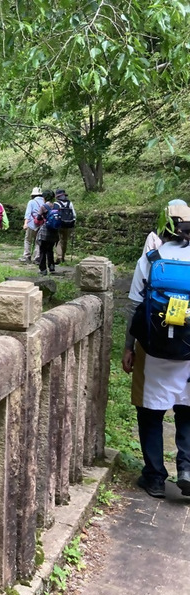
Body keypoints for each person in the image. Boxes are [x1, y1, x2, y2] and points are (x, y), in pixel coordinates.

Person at [122, 201, 190, 499]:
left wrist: (128, 348)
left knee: (149, 411)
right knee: (187, 410)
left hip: (153, 348)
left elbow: (136, 306)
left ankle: (154, 478)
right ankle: (187, 469)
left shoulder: (152, 257)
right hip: (189, 353)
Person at [19, 186, 44, 263]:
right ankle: (37, 257)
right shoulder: (44, 201)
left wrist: (25, 223)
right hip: (41, 224)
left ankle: (27, 256)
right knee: (38, 241)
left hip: (32, 224)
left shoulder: (31, 202)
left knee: (28, 240)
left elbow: (28, 214)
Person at [36, 200, 59, 275]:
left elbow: (38, 218)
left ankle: (43, 269)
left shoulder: (43, 206)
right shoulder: (57, 206)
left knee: (42, 250)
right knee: (50, 250)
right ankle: (51, 266)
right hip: (54, 232)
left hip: (45, 231)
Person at [53, 189, 77, 264]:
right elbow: (74, 215)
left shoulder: (56, 203)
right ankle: (63, 257)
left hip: (60, 224)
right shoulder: (69, 203)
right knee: (65, 240)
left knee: (59, 240)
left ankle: (59, 257)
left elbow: (55, 214)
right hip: (68, 224)